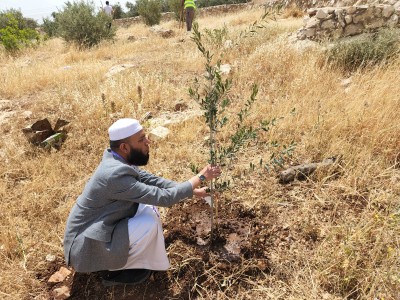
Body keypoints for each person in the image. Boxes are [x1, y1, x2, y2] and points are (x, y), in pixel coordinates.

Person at [63, 118, 221, 286]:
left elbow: (154, 181)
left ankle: (130, 260)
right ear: (124, 147)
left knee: (148, 208)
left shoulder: (118, 159)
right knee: (148, 223)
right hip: (84, 249)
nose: (148, 142)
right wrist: (201, 177)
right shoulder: (114, 175)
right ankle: (113, 272)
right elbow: (164, 198)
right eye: (141, 139)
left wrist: (193, 191)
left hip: (97, 232)